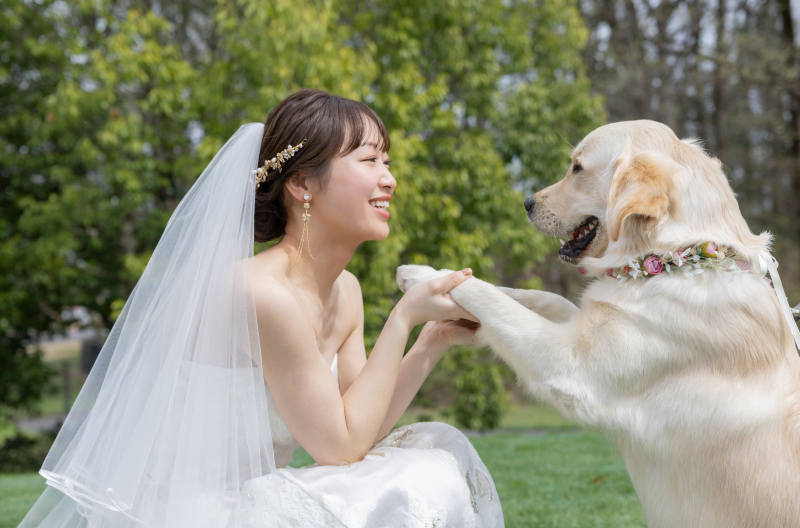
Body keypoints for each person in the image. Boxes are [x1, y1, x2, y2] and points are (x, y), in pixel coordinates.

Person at [17, 89, 503, 528]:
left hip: (258, 496)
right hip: (200, 510)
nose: (390, 179)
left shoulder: (346, 289)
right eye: (370, 160)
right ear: (302, 185)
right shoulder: (261, 294)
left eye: (387, 162)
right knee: (421, 475)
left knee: (437, 447)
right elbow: (338, 448)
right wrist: (402, 318)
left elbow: (363, 430)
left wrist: (433, 338)